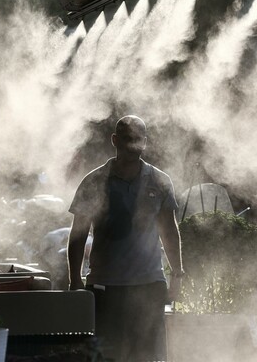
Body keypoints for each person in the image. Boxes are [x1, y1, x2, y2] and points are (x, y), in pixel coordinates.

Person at [68, 115, 184, 362]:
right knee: (107, 356)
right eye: (127, 139)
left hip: (148, 286)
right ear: (115, 140)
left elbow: (169, 231)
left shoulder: (159, 181)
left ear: (145, 142)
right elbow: (77, 235)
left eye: (138, 139)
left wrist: (178, 274)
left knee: (147, 356)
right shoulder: (94, 181)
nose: (133, 145)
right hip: (105, 287)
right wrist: (75, 280)